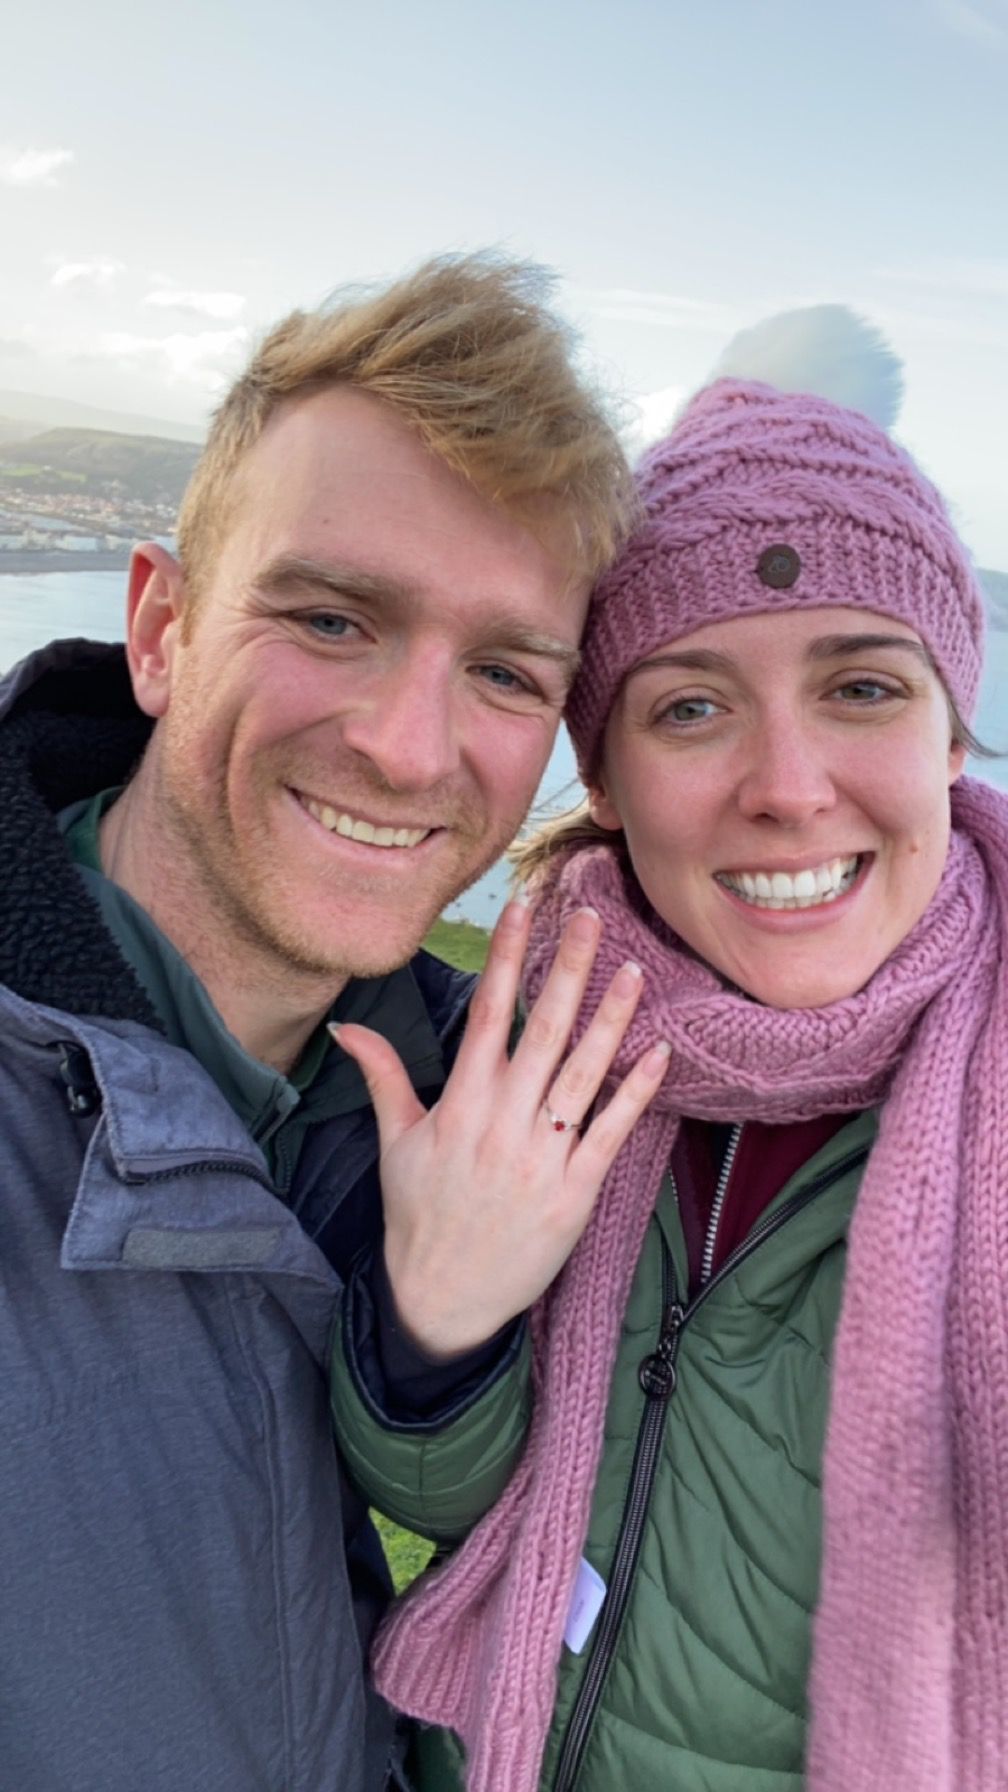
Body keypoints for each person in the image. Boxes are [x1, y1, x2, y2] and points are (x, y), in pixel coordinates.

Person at [0, 251, 670, 1792]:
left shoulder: (478, 1101)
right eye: (332, 618)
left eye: (504, 669)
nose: (406, 744)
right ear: (162, 629)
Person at [332, 359, 1008, 1791]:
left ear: (951, 731)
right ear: (608, 775)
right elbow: (440, 1496)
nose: (788, 784)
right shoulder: (543, 1038)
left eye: (864, 687)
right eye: (691, 708)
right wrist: (436, 1326)